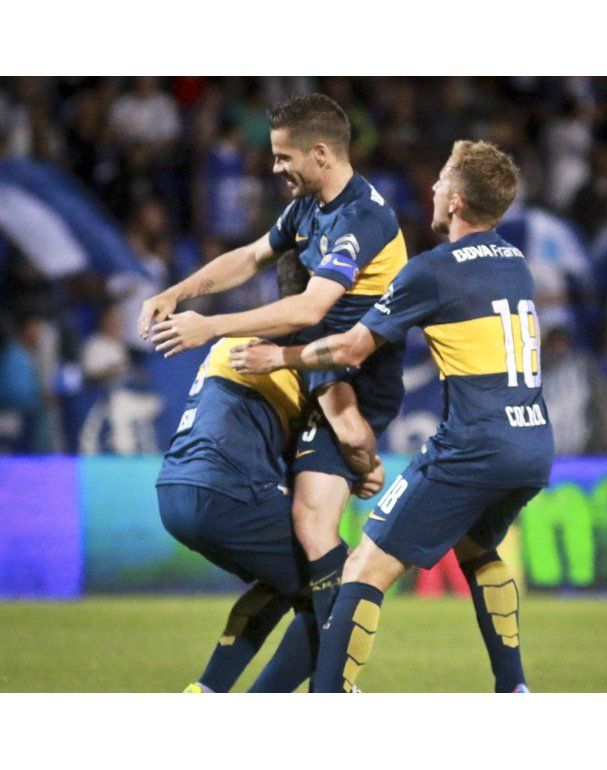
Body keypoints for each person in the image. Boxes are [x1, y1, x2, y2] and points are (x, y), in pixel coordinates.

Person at [231, 140, 554, 692]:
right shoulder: (515, 262)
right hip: (533, 444)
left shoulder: (432, 270)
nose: (433, 187)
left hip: (474, 448)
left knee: (364, 567)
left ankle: (330, 697)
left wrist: (280, 357)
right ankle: (514, 688)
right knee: (477, 549)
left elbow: (352, 348)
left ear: (456, 201)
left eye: (441, 180)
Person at [139, 94, 407, 646]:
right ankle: (314, 675)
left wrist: (212, 327)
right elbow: (250, 256)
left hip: (353, 376)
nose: (275, 167)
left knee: (314, 530)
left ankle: (337, 673)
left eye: (284, 157)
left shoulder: (363, 217)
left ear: (321, 153)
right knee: (306, 533)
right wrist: (176, 292)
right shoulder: (307, 207)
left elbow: (310, 308)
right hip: (316, 368)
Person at [158, 311, 383, 693]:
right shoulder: (302, 343)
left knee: (285, 581)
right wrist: (367, 464)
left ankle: (206, 690)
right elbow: (349, 435)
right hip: (226, 490)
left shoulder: (233, 339)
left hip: (173, 488)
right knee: (336, 580)